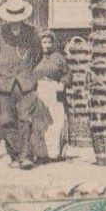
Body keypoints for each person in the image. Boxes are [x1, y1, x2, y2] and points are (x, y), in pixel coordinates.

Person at [0, 0, 43, 169]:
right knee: (6, 121)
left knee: (25, 119)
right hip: (5, 84)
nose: (15, 21)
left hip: (26, 84)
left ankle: (25, 157)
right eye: (12, 17)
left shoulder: (32, 33)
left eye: (18, 17)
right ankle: (15, 156)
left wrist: (28, 73)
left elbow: (38, 54)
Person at [27, 31, 69, 165]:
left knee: (56, 122)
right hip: (39, 90)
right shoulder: (36, 57)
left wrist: (62, 83)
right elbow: (27, 72)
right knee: (40, 122)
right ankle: (41, 153)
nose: (46, 45)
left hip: (54, 90)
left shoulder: (58, 58)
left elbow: (67, 74)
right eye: (44, 42)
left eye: (49, 42)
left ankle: (54, 152)